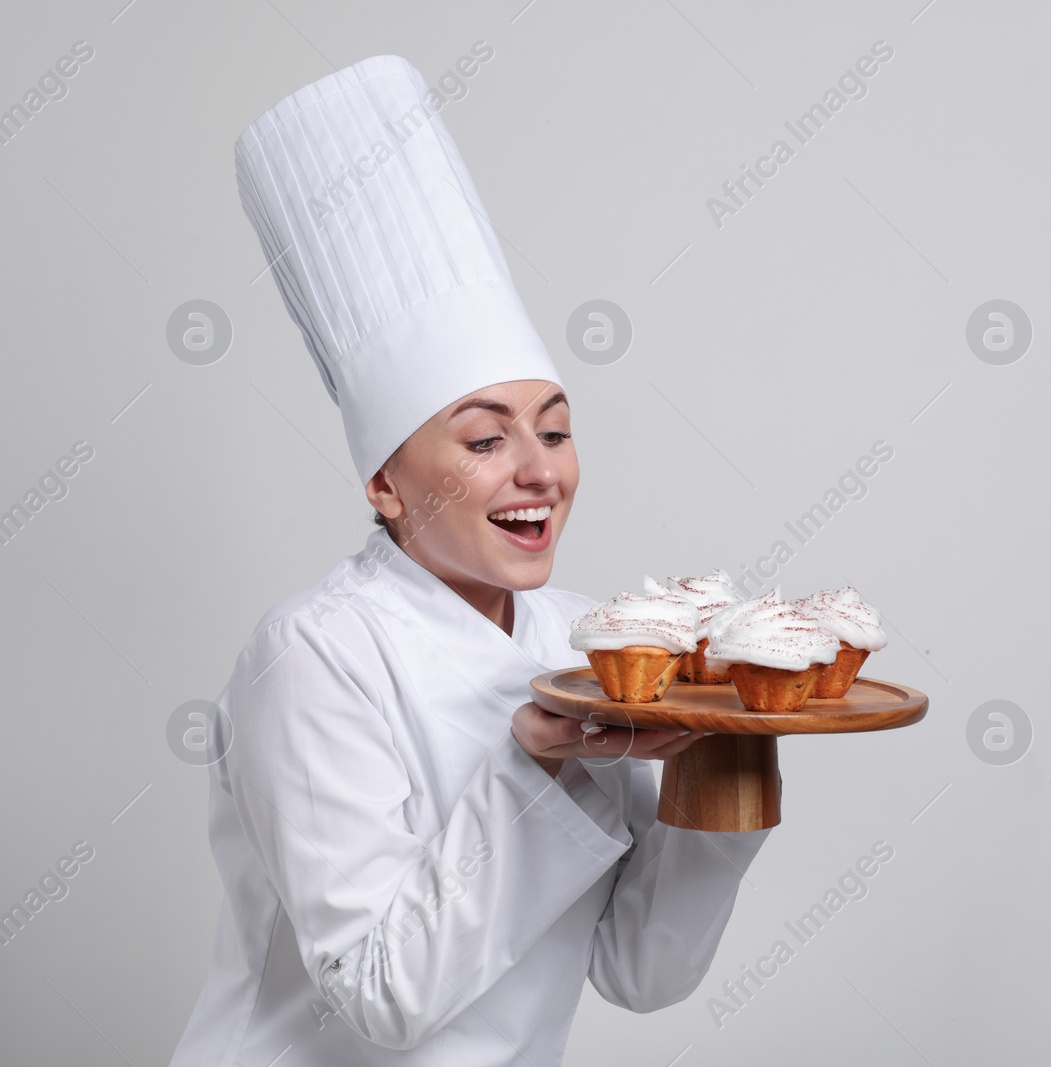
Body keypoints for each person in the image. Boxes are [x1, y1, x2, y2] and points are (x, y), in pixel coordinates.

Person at [167, 55, 769, 1066]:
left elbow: (639, 973)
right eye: (485, 440)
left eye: (557, 429)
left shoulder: (589, 643)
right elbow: (381, 997)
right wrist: (539, 762)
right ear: (385, 483)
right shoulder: (315, 654)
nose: (539, 470)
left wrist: (730, 759)